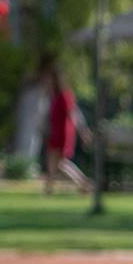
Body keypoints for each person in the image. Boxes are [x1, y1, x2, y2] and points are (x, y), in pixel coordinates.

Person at [43, 65, 93, 194]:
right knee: (57, 163)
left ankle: (83, 183)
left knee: (60, 163)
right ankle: (50, 190)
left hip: (63, 134)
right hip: (54, 133)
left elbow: (74, 113)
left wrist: (83, 131)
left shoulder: (64, 95)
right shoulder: (53, 96)